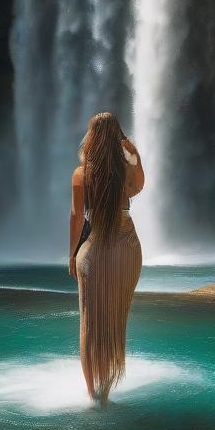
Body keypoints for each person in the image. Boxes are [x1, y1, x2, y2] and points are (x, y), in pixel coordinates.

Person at [69, 112, 145, 406]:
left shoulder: (81, 173)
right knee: (116, 318)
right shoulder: (126, 172)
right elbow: (140, 186)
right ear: (117, 138)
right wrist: (129, 146)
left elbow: (77, 218)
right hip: (127, 246)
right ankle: (107, 387)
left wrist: (71, 254)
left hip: (95, 247)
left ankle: (92, 395)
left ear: (90, 138)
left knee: (90, 322)